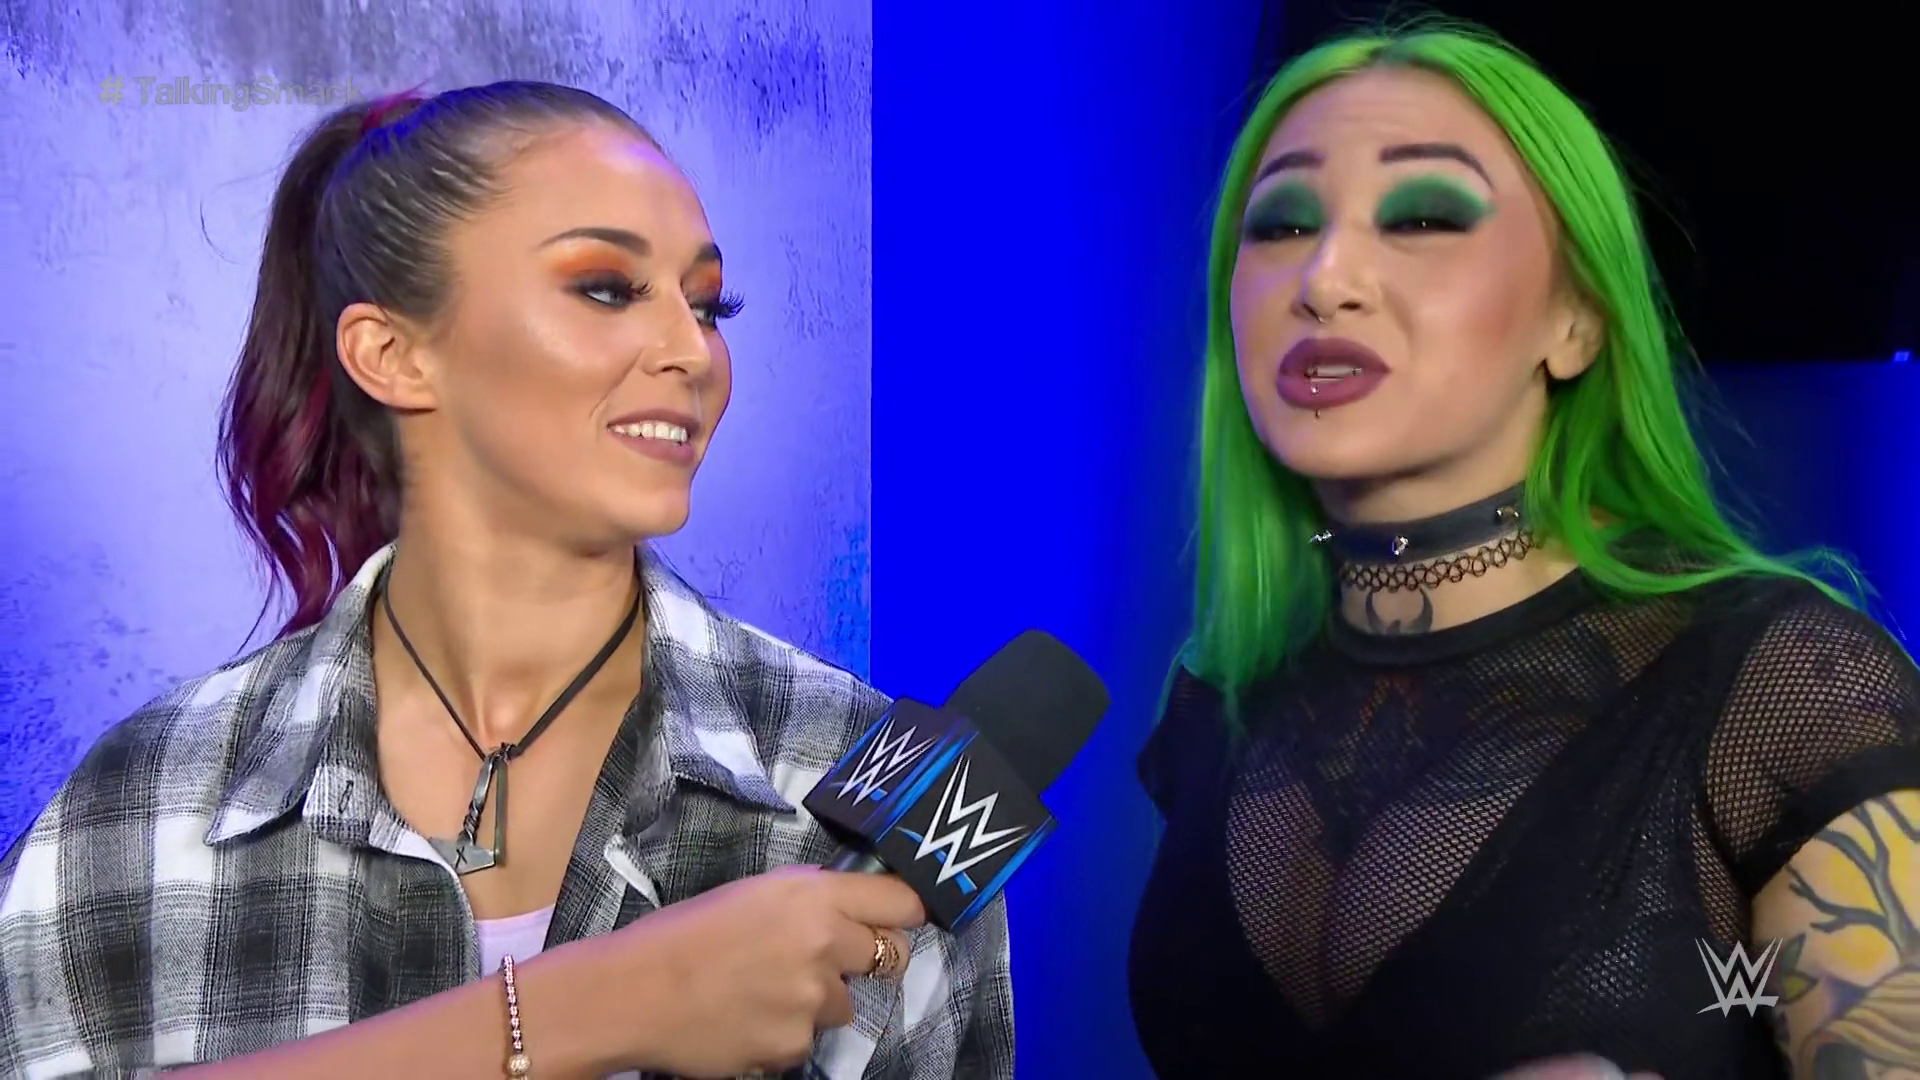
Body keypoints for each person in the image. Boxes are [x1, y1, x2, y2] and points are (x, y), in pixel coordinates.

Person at [0, 82, 1011, 1079]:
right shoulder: (143, 803)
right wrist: (600, 1006)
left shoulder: (870, 784)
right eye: (607, 288)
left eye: (709, 306)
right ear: (393, 354)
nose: (692, 352)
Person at [1127, 21, 1920, 1080]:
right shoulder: (1220, 698)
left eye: (1422, 215)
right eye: (1281, 224)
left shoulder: (1785, 688)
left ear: (1576, 321)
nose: (1325, 276)